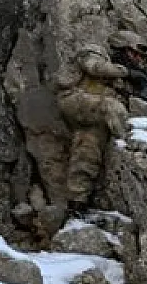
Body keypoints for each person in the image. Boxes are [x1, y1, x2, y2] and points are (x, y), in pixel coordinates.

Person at [54, 40, 132, 210]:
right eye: (133, 53)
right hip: (71, 99)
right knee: (111, 107)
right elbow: (95, 67)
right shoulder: (94, 51)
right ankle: (127, 146)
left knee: (88, 147)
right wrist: (126, 71)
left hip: (89, 113)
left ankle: (77, 201)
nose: (135, 57)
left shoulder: (116, 80)